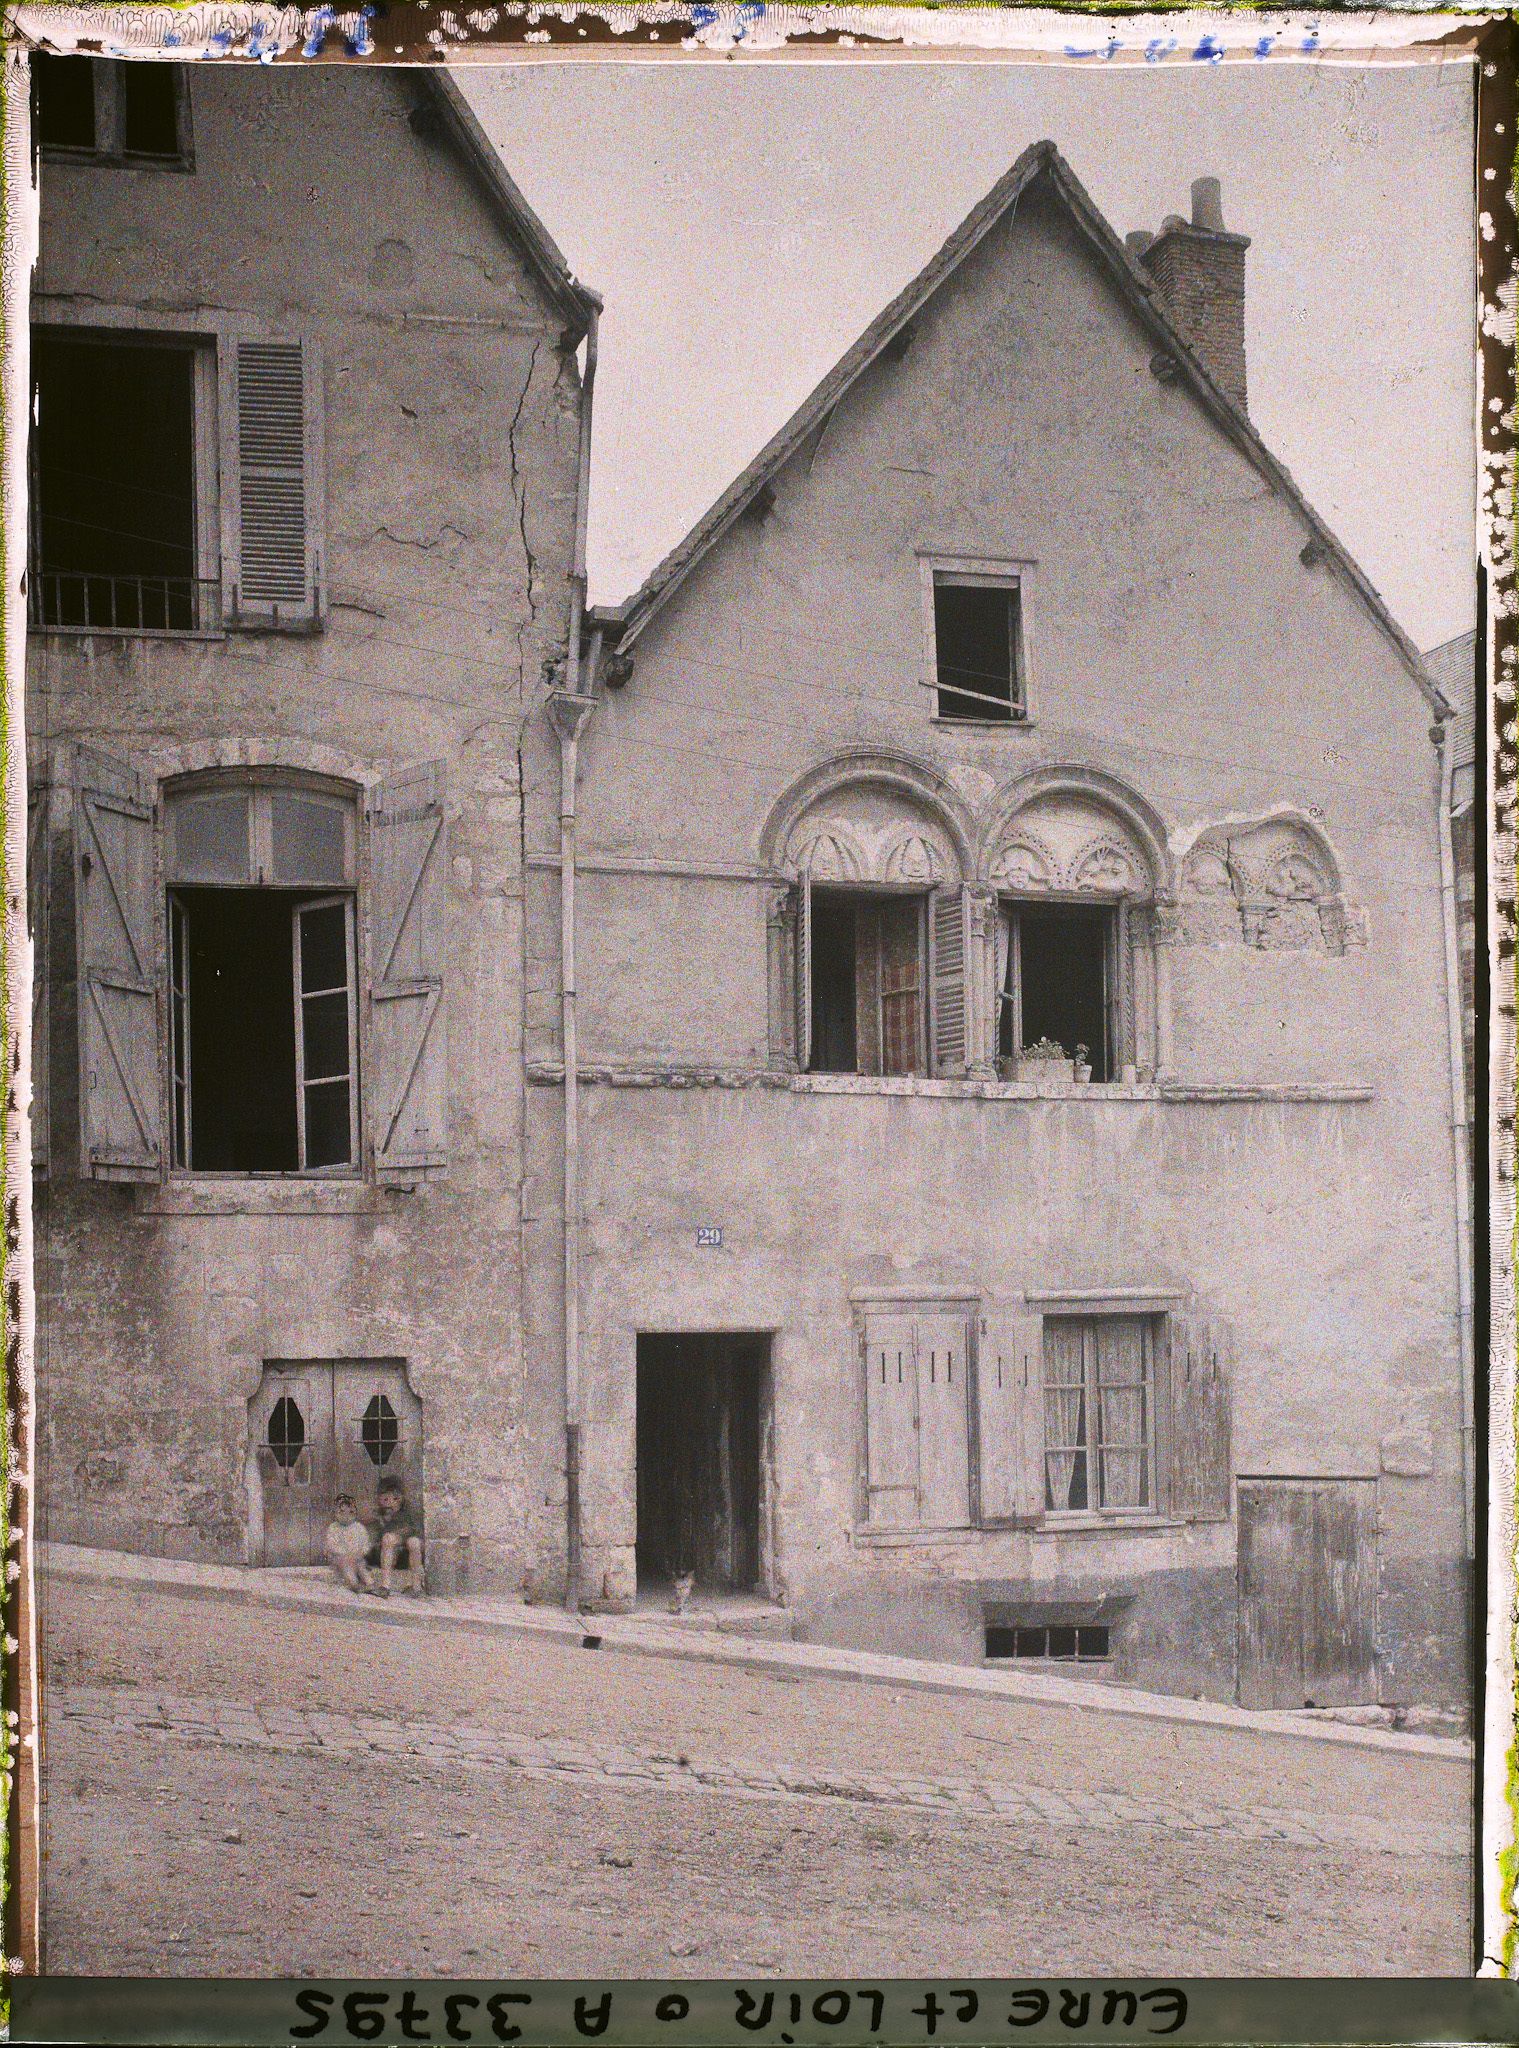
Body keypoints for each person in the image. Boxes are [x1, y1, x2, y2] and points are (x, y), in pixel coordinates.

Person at [366, 1478, 425, 1596]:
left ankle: (416, 1587)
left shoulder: (409, 1512)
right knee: (388, 1538)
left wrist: (400, 1536)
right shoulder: (379, 1515)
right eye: (386, 1498)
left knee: (414, 1542)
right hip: (387, 1555)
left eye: (394, 1498)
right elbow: (375, 1537)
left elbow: (415, 1531)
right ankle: (385, 1586)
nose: (390, 1502)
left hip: (408, 1554)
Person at [323, 1493, 372, 1594]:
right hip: (340, 1557)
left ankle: (370, 1583)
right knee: (345, 1564)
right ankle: (354, 1584)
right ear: (335, 1513)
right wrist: (345, 1554)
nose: (346, 1516)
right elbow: (331, 1545)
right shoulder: (334, 1528)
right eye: (341, 1512)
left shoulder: (359, 1527)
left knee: (361, 1566)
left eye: (350, 1512)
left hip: (356, 1556)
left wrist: (361, 1552)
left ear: (355, 1514)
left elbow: (366, 1544)